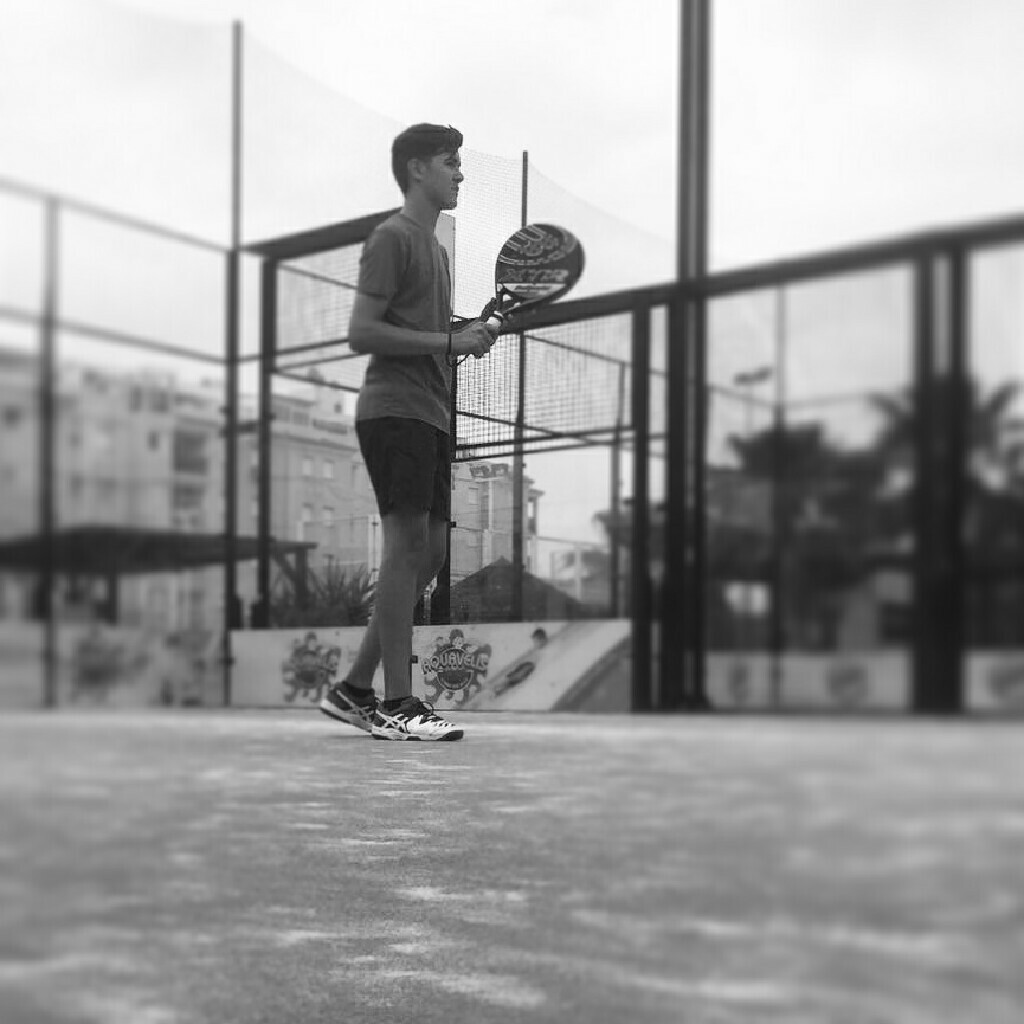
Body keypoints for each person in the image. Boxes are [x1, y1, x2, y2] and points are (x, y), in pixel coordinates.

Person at [320, 123, 498, 741]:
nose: (460, 173)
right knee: (404, 550)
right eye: (451, 162)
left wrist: (466, 337)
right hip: (393, 411)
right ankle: (397, 702)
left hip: (431, 413)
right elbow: (363, 331)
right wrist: (450, 341)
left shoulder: (438, 253)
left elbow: (430, 335)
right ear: (418, 169)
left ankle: (353, 689)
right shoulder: (391, 238)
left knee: (431, 554)